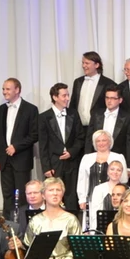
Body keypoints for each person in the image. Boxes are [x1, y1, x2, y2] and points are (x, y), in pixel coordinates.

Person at [0, 78, 39, 221]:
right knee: (7, 194)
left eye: (7, 89)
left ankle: (22, 224)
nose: (4, 92)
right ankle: (7, 224)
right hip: (5, 159)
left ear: (17, 90)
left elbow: (34, 134)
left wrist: (16, 147)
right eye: (3, 89)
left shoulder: (30, 109)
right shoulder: (1, 109)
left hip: (21, 159)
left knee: (22, 194)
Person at [38, 82, 84, 210]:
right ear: (55, 97)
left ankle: (72, 220)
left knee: (71, 195)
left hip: (72, 162)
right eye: (64, 96)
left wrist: (71, 152)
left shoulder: (73, 114)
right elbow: (43, 144)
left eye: (68, 95)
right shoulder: (44, 117)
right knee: (54, 194)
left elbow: (80, 137)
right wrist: (46, 167)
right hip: (54, 163)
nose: (67, 98)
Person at [77, 129, 128, 217]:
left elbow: (123, 179)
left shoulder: (118, 157)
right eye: (98, 141)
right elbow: (82, 180)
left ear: (110, 142)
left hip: (113, 198)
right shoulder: (87, 158)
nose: (101, 143)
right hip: (92, 199)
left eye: (104, 140)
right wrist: (82, 199)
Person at [90, 86, 130, 162]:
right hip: (97, 157)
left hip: (118, 158)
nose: (109, 101)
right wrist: (88, 157)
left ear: (120, 100)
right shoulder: (96, 114)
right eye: (107, 98)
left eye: (113, 98)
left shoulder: (127, 117)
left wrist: (129, 164)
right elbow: (89, 138)